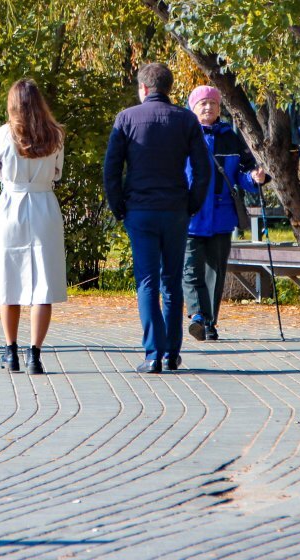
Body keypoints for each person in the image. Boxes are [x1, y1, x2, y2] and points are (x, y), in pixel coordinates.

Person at [103, 63, 210, 374]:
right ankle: (172, 354)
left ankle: (153, 354)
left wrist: (118, 206)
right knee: (172, 282)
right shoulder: (185, 119)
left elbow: (112, 169)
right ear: (168, 88)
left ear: (144, 89)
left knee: (147, 281)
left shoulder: (126, 119)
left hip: (139, 209)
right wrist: (192, 203)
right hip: (175, 209)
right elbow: (202, 170)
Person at [0, 79, 67, 376]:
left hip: (12, 204)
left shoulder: (3, 135)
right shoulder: (55, 135)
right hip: (44, 204)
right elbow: (57, 172)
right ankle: (35, 354)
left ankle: (11, 350)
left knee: (10, 281)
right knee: (42, 283)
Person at [183, 86, 268, 342]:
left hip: (221, 216)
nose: (208, 108)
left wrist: (255, 178)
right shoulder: (183, 136)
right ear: (192, 108)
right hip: (189, 215)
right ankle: (197, 315)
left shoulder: (230, 137)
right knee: (189, 270)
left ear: (220, 108)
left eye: (212, 103)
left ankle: (209, 323)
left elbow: (244, 174)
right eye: (203, 104)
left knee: (216, 273)